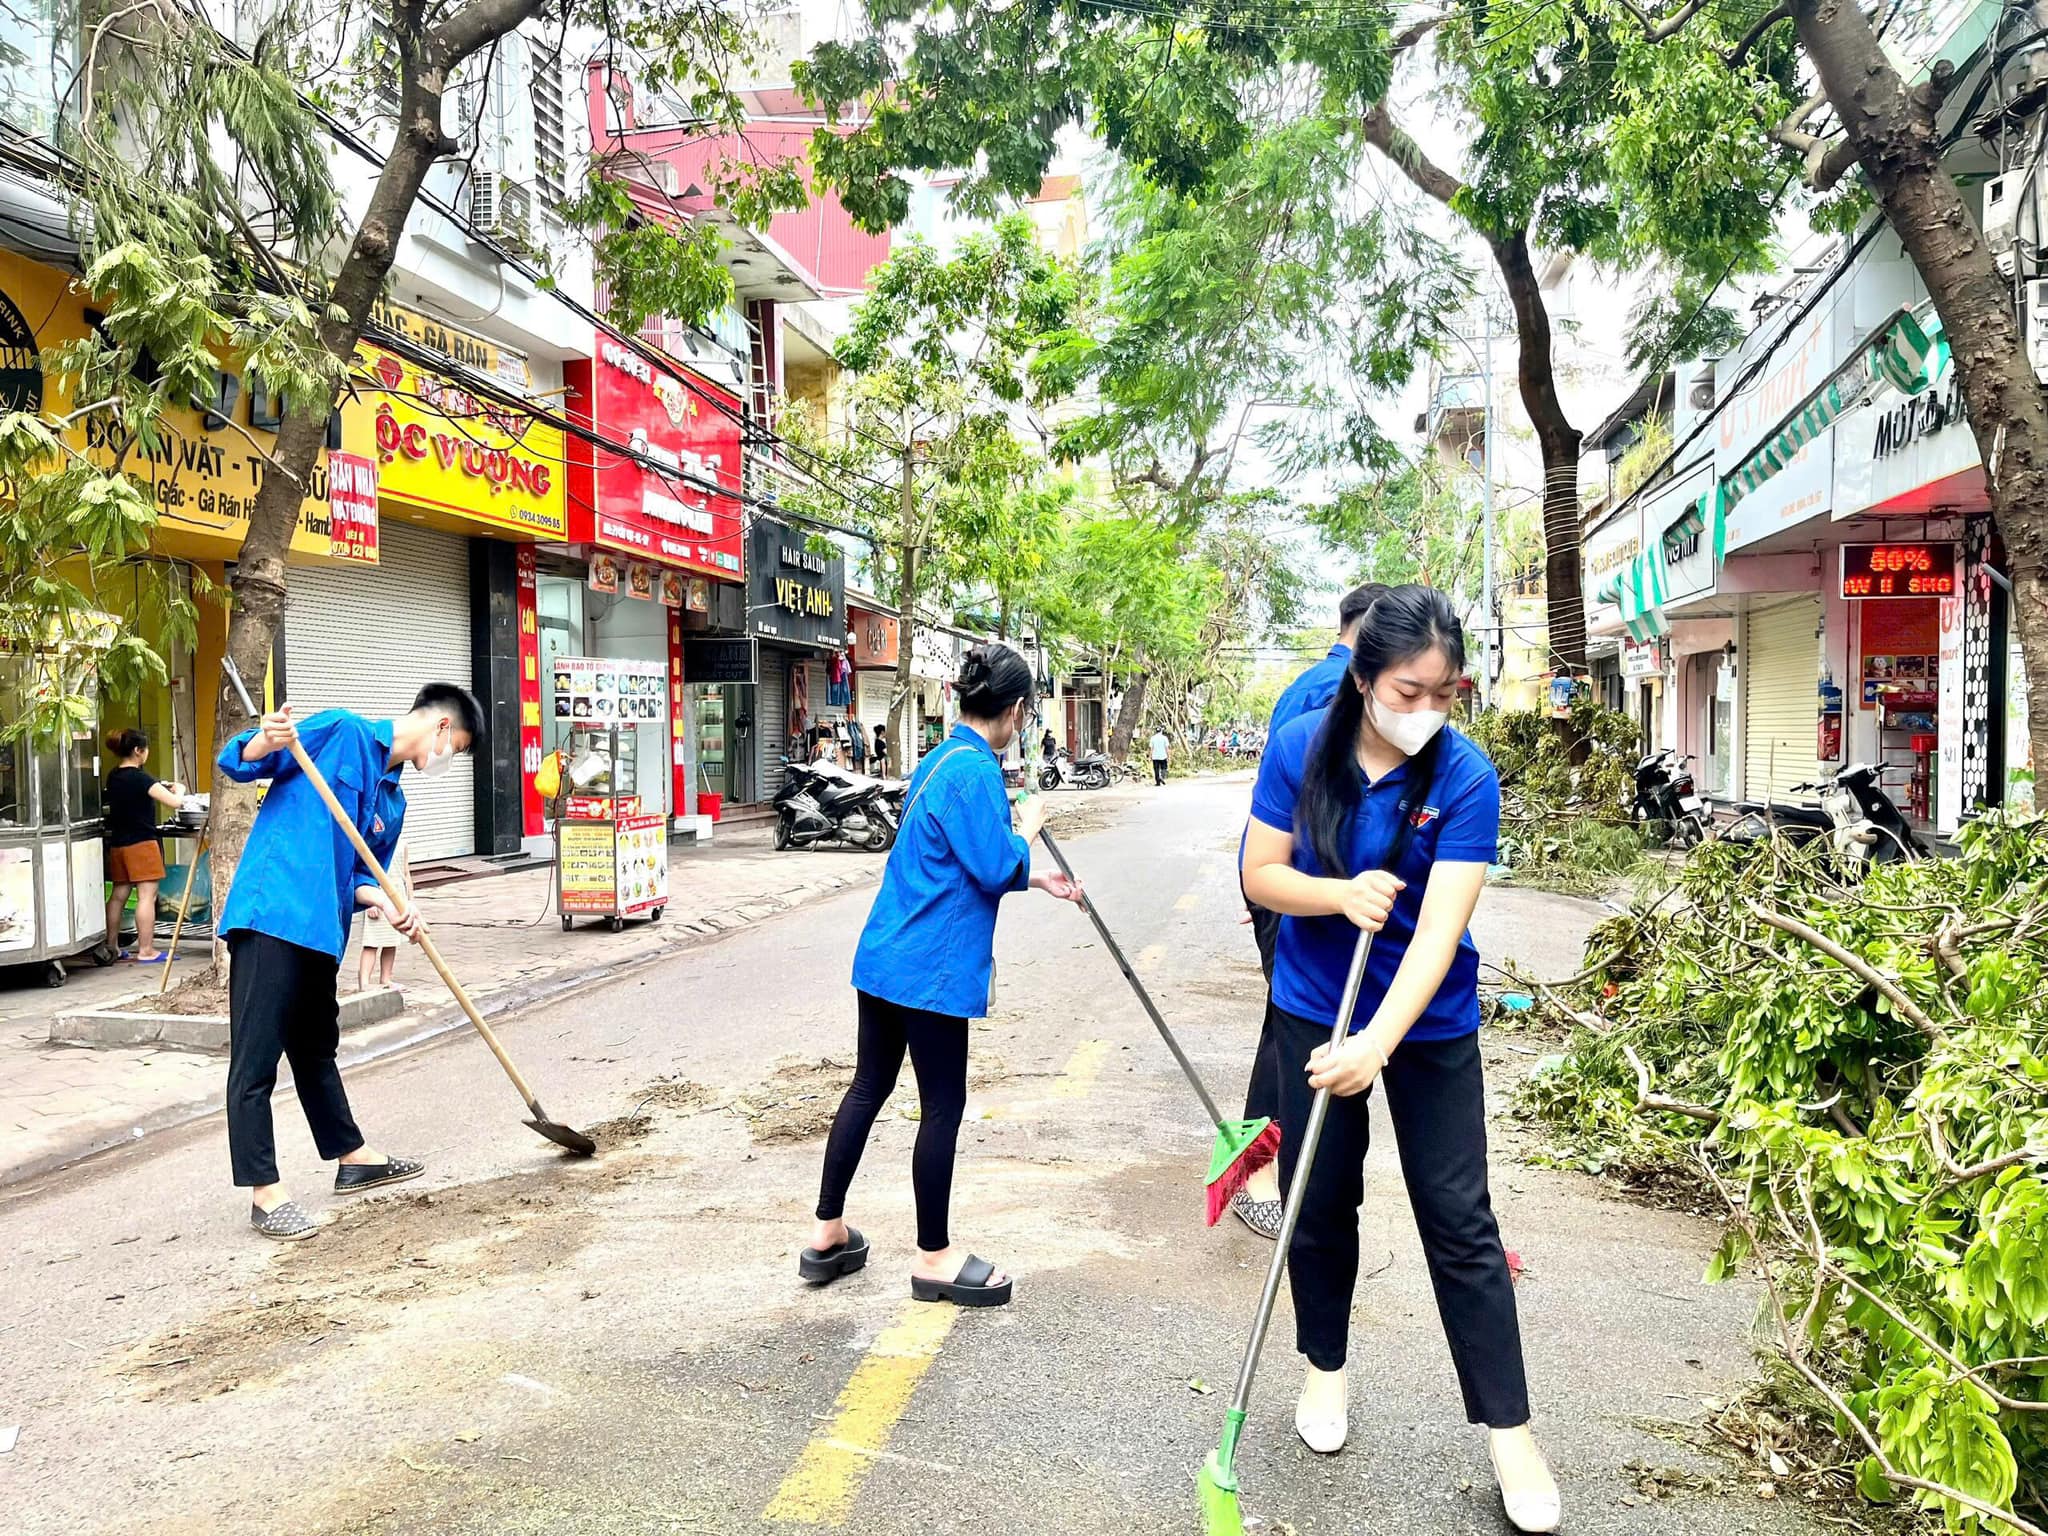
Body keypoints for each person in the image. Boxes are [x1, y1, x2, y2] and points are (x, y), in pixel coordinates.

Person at [1240, 585, 1557, 1532]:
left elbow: (1440, 934)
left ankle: (1512, 1434)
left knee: (1460, 1218)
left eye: (1443, 694)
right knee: (1321, 1200)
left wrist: (1378, 1044)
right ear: (1364, 677)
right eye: (1407, 692)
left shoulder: (1465, 777)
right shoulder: (1302, 748)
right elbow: (1261, 875)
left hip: (1428, 1025)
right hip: (1312, 1007)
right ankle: (1323, 1371)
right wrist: (1336, 895)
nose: (1425, 712)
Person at [799, 644, 1084, 1307]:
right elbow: (990, 864)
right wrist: (1031, 830)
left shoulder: (939, 758)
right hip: (930, 968)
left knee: (868, 1086)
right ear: (1015, 711)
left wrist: (1035, 875)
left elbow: (958, 856)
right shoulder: (977, 772)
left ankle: (827, 1234)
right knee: (943, 1106)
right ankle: (934, 1256)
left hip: (886, 954)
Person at [215, 682, 485, 1242]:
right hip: (274, 910)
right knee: (256, 1057)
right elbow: (238, 762)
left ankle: (352, 1156)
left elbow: (364, 876)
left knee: (316, 1050)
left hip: (322, 930)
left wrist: (391, 901)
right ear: (440, 728)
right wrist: (267, 741)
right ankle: (265, 1193)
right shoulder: (340, 731)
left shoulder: (393, 800)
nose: (447, 761)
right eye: (455, 749)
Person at [1231, 581, 1389, 1238]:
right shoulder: (1338, 693)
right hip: (1312, 889)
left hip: (1287, 885)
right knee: (1293, 1030)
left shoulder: (1306, 682)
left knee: (1284, 1025)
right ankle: (1257, 1175)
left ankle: (1252, 1169)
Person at [102, 729, 186, 964]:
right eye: (146, 749)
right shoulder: (141, 778)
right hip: (142, 843)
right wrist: (178, 788)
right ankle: (146, 949)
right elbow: (175, 802)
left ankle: (112, 946)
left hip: (119, 844)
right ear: (139, 751)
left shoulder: (113, 776)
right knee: (147, 897)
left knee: (119, 895)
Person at [356, 835, 412, 993]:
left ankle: (386, 978)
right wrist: (369, 904)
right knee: (371, 942)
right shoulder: (375, 843)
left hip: (397, 897)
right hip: (376, 897)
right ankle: (364, 982)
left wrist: (410, 900)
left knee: (391, 941)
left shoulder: (402, 844)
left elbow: (406, 874)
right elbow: (364, 874)